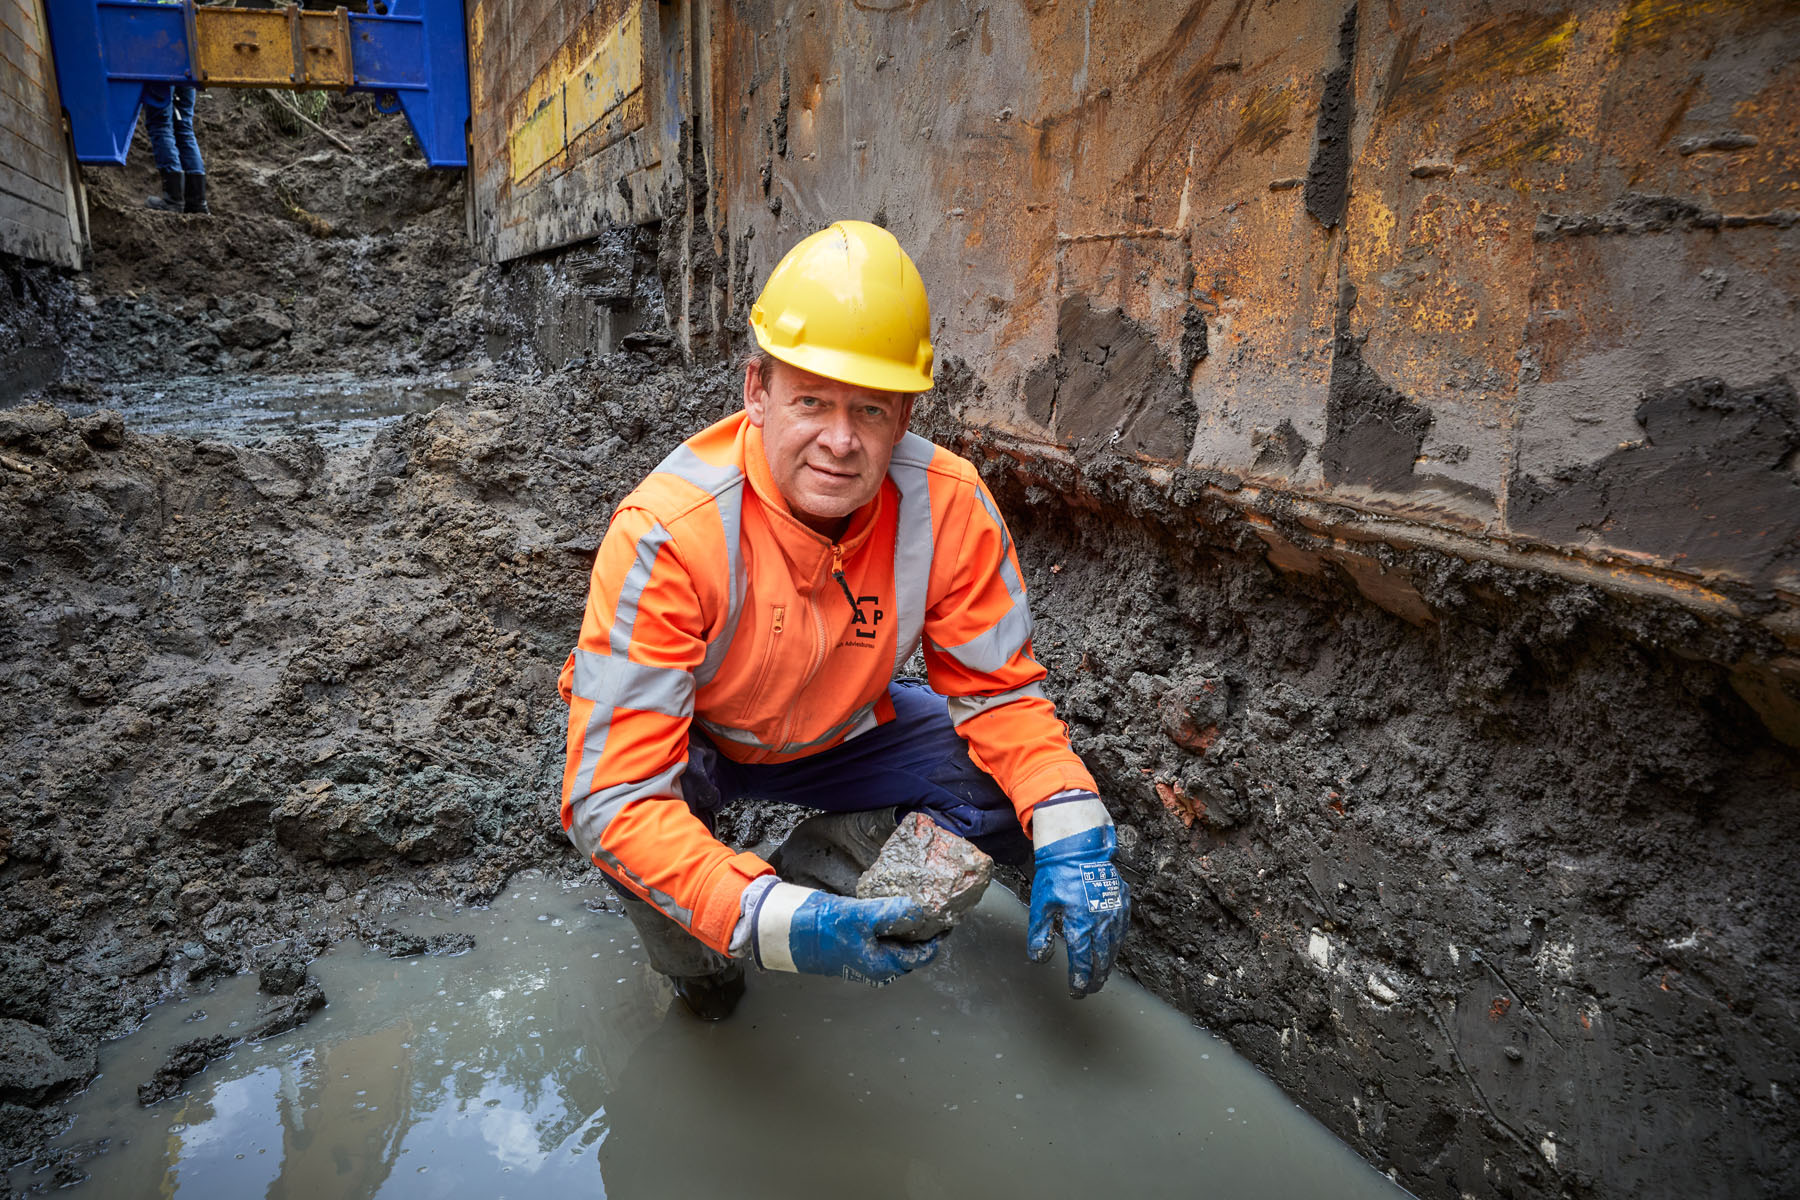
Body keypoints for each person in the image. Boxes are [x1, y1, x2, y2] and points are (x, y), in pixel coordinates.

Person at [557, 220, 1129, 1019]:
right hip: (696, 738)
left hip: (840, 731)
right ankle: (708, 970)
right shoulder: (669, 532)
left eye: (869, 410)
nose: (839, 440)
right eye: (812, 402)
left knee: (999, 790)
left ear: (905, 416)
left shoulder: (948, 506)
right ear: (757, 392)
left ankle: (814, 881)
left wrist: (1075, 834)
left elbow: (1001, 698)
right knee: (641, 842)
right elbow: (613, 798)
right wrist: (761, 922)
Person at [141, 83, 208, 215]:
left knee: (160, 125)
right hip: (189, 74)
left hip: (163, 73)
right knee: (185, 129)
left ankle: (173, 200)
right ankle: (197, 202)